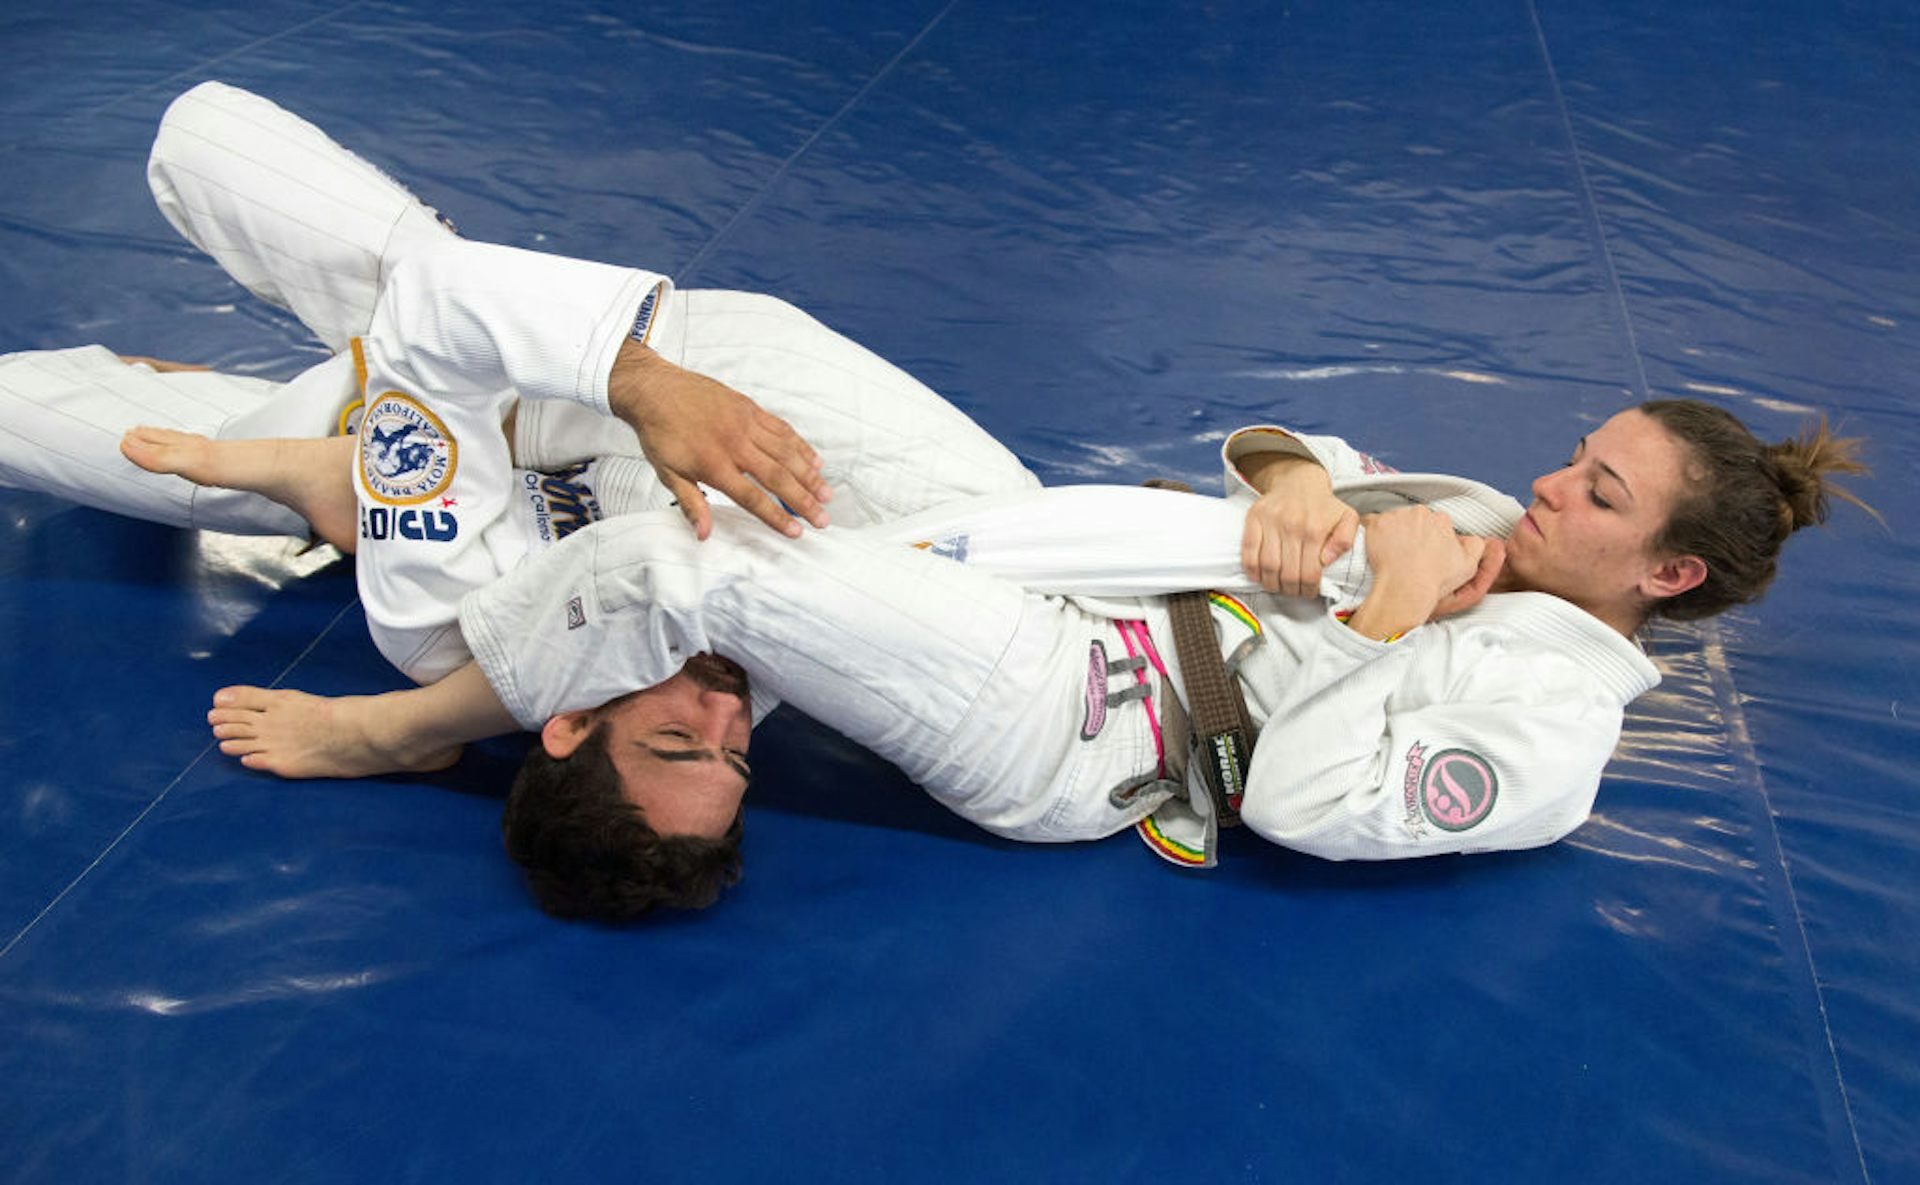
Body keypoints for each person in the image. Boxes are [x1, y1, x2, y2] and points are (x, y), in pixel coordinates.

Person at [191, 394, 1870, 922]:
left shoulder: (1549, 733)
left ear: (1665, 571)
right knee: (744, 391)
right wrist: (1307, 489)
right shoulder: (1492, 517)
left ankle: (398, 728)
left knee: (689, 564)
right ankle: (389, 446)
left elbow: (1298, 798)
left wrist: (1385, 615)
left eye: (1596, 489)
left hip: (1103, 722)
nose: (1547, 482)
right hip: (1093, 556)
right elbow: (1281, 445)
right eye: (1578, 455)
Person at [0, 81, 1040, 913]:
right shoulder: (836, 625)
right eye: (735, 754)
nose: (727, 708)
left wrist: (327, 479)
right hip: (530, 342)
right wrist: (641, 380)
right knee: (204, 131)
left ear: (566, 725)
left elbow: (426, 373)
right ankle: (311, 466)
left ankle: (276, 450)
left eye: (681, 738)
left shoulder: (449, 637)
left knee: (31, 417)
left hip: (408, 398)